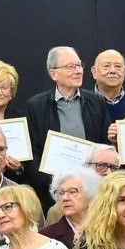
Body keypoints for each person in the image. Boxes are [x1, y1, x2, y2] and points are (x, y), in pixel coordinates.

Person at [23, 46, 110, 205]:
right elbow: (33, 153)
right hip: (53, 191)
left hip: (92, 191)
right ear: (53, 73)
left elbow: (104, 144)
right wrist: (53, 185)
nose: (78, 71)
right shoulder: (36, 105)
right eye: (70, 67)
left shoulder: (96, 102)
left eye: (79, 65)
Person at [41, 167, 101, 248]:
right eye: (61, 193)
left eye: (72, 191)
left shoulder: (108, 228)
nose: (65, 198)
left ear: (90, 193)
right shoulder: (46, 237)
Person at [92, 48, 125, 121]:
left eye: (118, 66)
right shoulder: (83, 102)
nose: (112, 71)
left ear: (124, 72)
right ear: (94, 72)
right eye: (106, 66)